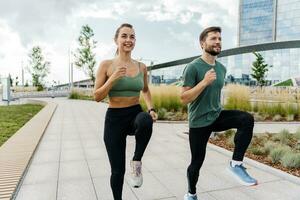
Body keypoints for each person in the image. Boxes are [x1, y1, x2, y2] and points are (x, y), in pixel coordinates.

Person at [180, 26, 257, 200]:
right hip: (199, 121)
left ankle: (236, 164)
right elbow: (184, 98)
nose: (218, 42)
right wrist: (204, 83)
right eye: (213, 38)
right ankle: (191, 193)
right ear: (202, 43)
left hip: (216, 116)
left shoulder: (221, 68)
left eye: (220, 39)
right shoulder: (193, 67)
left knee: (246, 119)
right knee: (196, 163)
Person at [93, 23, 158, 200]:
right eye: (124, 36)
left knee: (145, 120)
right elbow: (97, 96)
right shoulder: (106, 65)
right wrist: (112, 79)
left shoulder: (141, 67)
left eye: (132, 36)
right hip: (114, 118)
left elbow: (145, 90)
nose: (128, 40)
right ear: (116, 40)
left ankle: (136, 161)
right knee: (117, 171)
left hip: (134, 113)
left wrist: (151, 108)